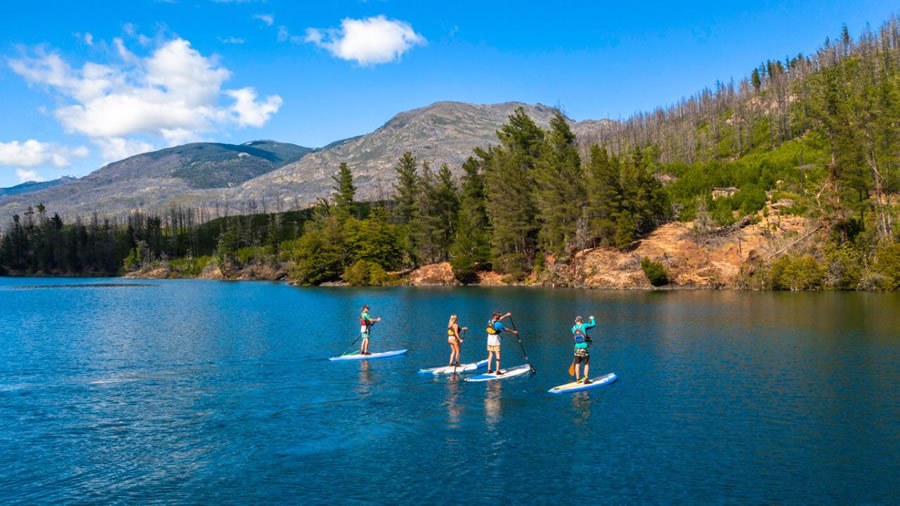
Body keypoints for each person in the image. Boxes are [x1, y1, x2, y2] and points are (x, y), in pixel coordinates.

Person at [571, 315, 596, 383]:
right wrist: (592, 318)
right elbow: (593, 324)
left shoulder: (573, 328)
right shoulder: (584, 325)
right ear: (581, 321)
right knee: (586, 363)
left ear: (575, 321)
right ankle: (586, 379)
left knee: (577, 364)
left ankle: (578, 379)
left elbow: (579, 332)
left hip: (576, 348)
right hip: (584, 348)